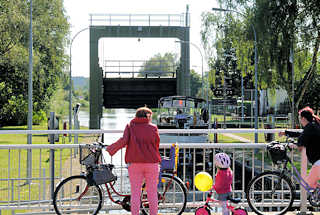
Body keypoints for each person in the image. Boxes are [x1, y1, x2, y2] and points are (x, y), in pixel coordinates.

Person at [106, 107, 161, 215]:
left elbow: (124, 141)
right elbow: (156, 143)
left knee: (135, 193)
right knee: (152, 193)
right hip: (152, 163)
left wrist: (111, 148)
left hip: (135, 164)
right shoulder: (153, 127)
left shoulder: (130, 126)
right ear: (148, 116)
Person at [279, 106, 320, 188]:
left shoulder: (310, 127)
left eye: (300, 119)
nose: (300, 121)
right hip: (317, 160)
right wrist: (286, 132)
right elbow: (301, 135)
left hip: (318, 162)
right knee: (311, 183)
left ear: (304, 118)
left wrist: (293, 145)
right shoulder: (313, 125)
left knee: (309, 183)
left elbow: (301, 141)